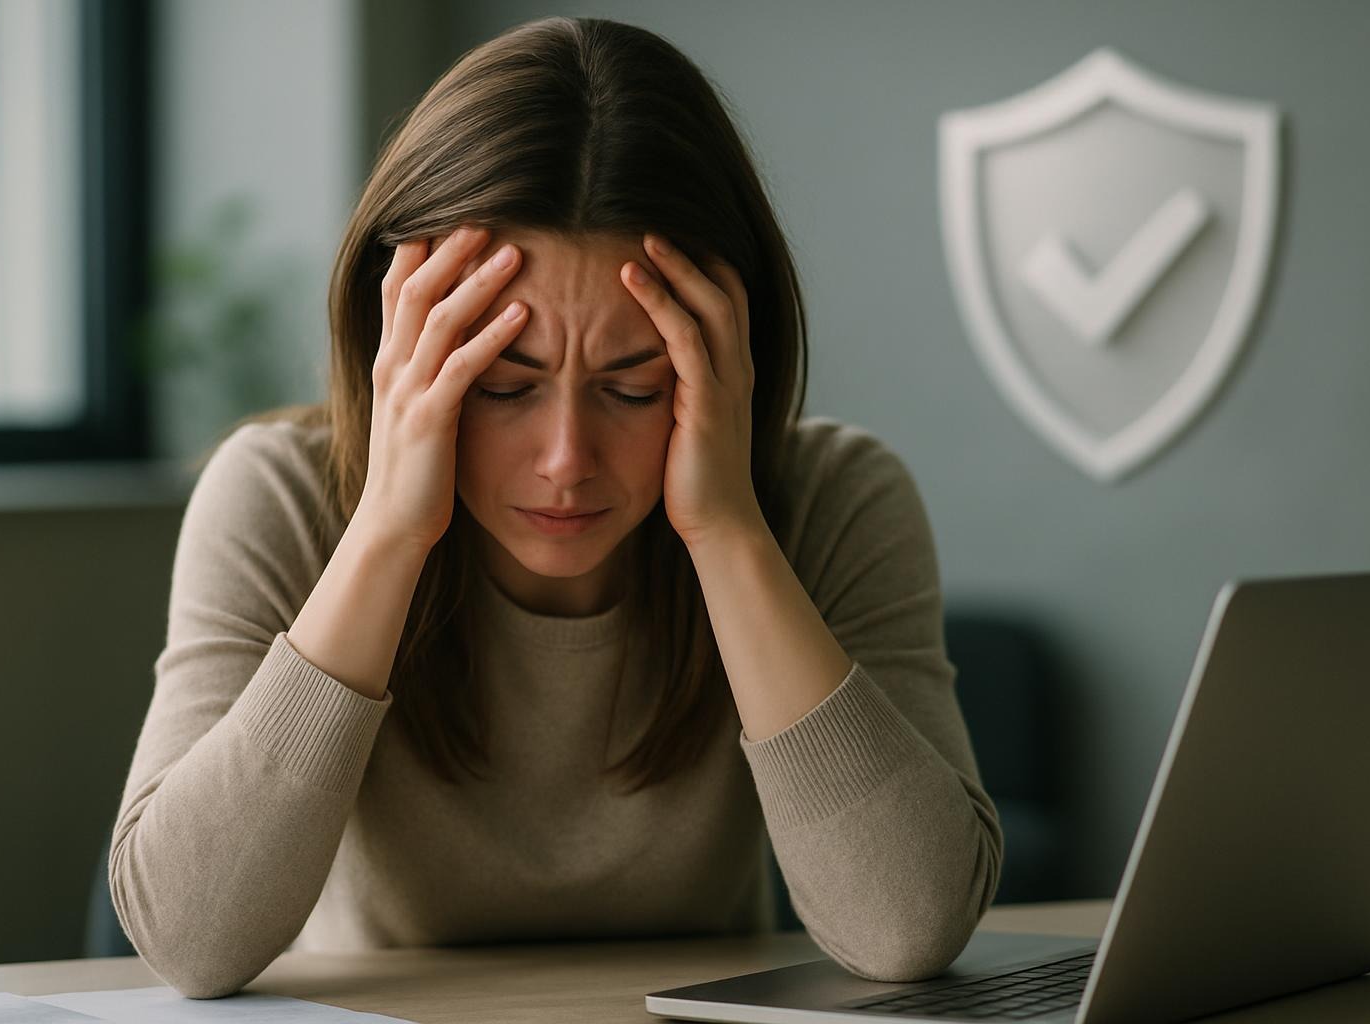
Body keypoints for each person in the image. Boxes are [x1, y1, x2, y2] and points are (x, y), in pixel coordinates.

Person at [108, 15, 1003, 1000]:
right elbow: (187, 941)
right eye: (503, 385)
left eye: (634, 386)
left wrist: (728, 532)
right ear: (397, 343)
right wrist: (390, 531)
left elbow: (907, 927)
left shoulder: (838, 498)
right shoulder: (276, 495)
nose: (567, 460)